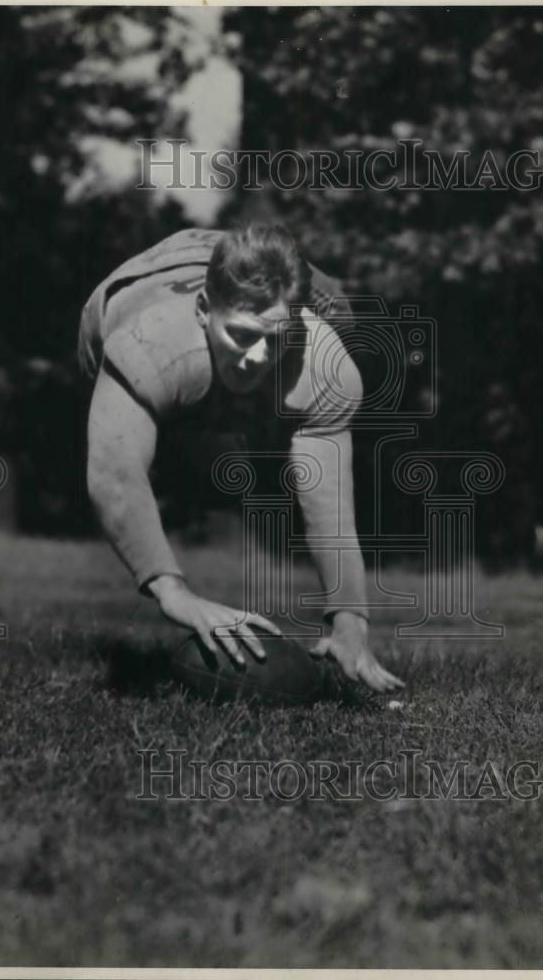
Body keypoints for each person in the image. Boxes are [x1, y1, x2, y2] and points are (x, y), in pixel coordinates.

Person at [80, 224, 404, 692]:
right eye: (241, 335)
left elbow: (330, 506)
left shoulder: (323, 360)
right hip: (140, 285)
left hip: (283, 310)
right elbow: (114, 474)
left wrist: (350, 623)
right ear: (204, 311)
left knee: (341, 320)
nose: (256, 357)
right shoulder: (148, 342)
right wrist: (173, 591)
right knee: (145, 438)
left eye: (274, 339)